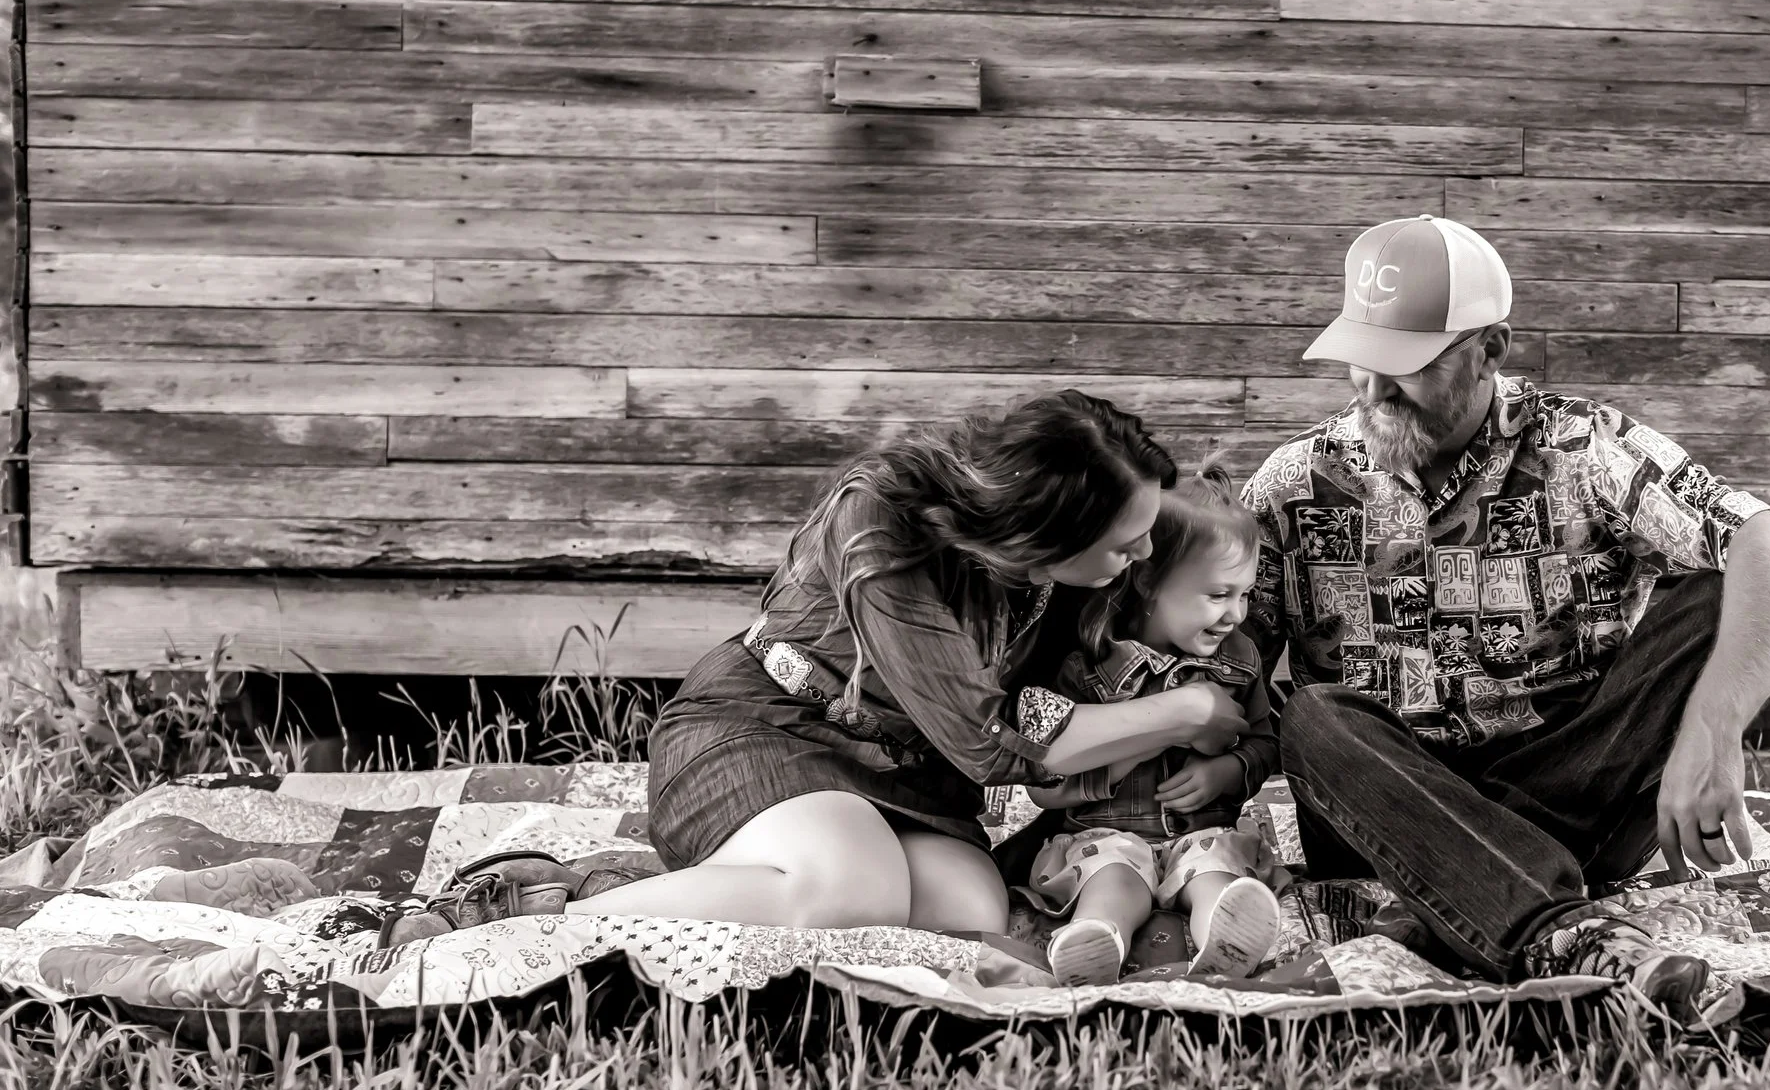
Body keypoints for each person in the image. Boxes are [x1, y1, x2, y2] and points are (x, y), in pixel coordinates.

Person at [390, 392, 1252, 944]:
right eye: (1124, 541)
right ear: (1044, 533)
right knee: (851, 888)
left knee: (971, 911)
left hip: (906, 778)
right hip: (762, 734)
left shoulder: (1056, 575)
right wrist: (1188, 713)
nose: (1142, 554)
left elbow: (1048, 711)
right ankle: (535, 917)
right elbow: (994, 743)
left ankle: (644, 889)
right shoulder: (886, 526)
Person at [1242, 214, 1770, 1008]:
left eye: (1406, 366)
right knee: (1312, 717)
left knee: (1721, 582)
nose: (1373, 389)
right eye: (1361, 359)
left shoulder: (1582, 446)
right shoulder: (1293, 483)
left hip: (1573, 791)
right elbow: (1219, 664)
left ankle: (1455, 902)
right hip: (1382, 805)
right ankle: (1564, 930)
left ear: (1491, 350)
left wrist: (1714, 733)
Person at [1015, 468, 1284, 985]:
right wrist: (1128, 756)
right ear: (1148, 580)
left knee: (1216, 875)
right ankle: (1096, 940)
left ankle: (1223, 948)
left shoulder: (1241, 660)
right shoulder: (1088, 667)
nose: (1235, 614)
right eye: (1217, 594)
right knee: (1113, 875)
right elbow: (1045, 786)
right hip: (1107, 833)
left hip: (1201, 834)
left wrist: (1228, 771)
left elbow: (1264, 742)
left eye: (1245, 595)